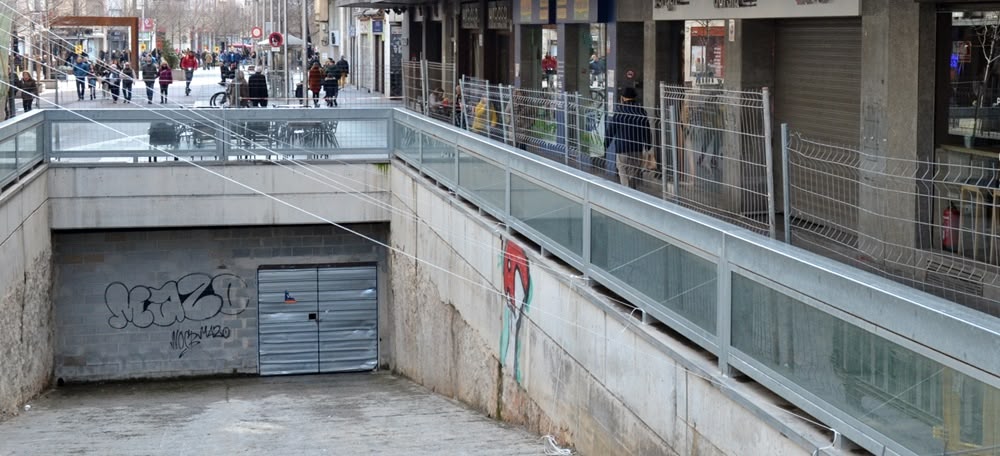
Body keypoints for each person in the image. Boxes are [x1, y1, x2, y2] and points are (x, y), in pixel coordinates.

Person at [604, 87, 651, 190]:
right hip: (637, 148)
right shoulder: (641, 112)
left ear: (623, 98)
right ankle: (631, 191)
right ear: (634, 98)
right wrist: (648, 145)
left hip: (622, 149)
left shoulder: (619, 112)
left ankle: (627, 193)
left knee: (623, 170)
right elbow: (646, 130)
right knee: (633, 173)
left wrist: (605, 144)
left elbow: (611, 130)